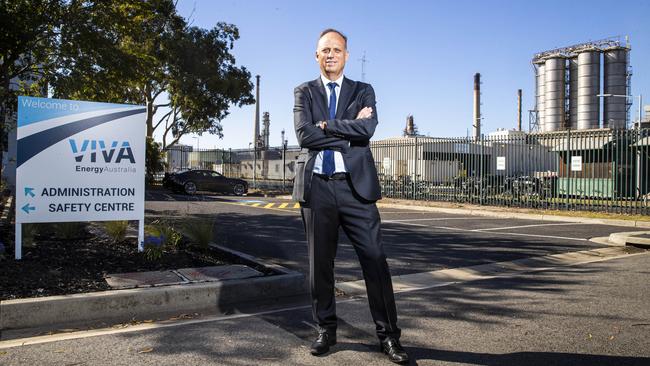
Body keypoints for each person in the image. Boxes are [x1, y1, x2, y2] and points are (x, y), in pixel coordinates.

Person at [292, 28, 409, 364]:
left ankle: (389, 336)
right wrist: (345, 132)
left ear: (346, 55)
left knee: (375, 259)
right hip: (317, 189)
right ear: (316, 56)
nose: (331, 55)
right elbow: (304, 134)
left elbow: (368, 129)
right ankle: (326, 330)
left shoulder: (363, 90)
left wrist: (326, 127)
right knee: (320, 266)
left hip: (356, 189)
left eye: (337, 50)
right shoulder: (304, 91)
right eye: (325, 50)